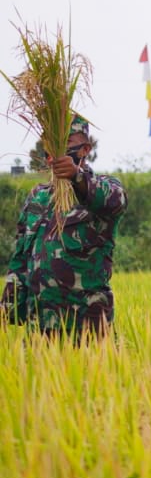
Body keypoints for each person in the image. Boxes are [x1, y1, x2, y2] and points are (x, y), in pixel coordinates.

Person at [3, 114, 127, 339]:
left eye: (67, 142)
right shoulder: (37, 197)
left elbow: (115, 201)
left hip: (87, 329)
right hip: (39, 329)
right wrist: (7, 307)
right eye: (53, 141)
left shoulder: (102, 188)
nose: (58, 148)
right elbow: (21, 257)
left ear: (84, 149)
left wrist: (76, 177)